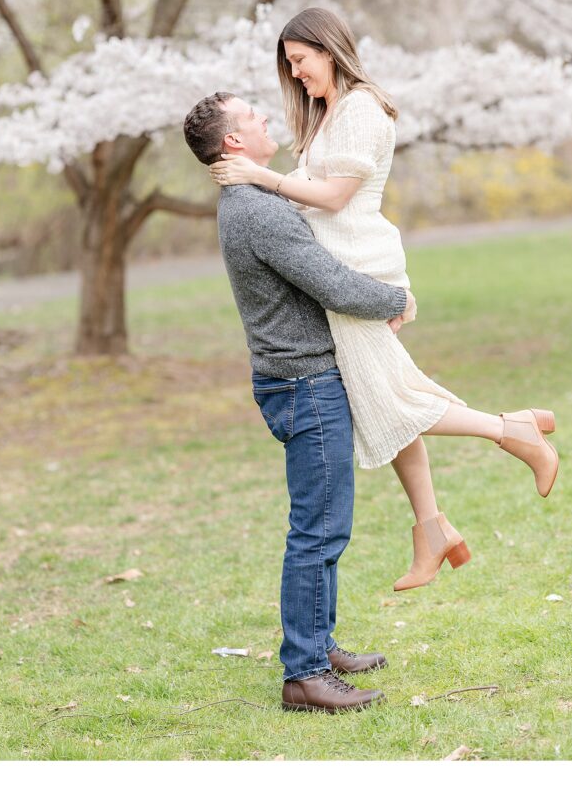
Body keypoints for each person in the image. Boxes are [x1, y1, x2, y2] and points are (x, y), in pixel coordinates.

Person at [208, 7, 559, 592]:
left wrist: (259, 177)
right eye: (289, 65)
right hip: (344, 267)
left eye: (300, 60)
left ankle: (511, 430)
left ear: (328, 49)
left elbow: (337, 195)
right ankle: (432, 528)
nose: (295, 74)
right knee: (384, 400)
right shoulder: (329, 115)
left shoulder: (361, 110)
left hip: (357, 268)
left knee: (389, 399)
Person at [183, 91, 418, 713]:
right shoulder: (258, 211)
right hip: (305, 385)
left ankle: (320, 643)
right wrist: (393, 299)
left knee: (325, 524)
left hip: (299, 380)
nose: (265, 118)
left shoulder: (256, 197)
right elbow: (329, 281)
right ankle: (306, 674)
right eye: (253, 116)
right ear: (234, 142)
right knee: (318, 529)